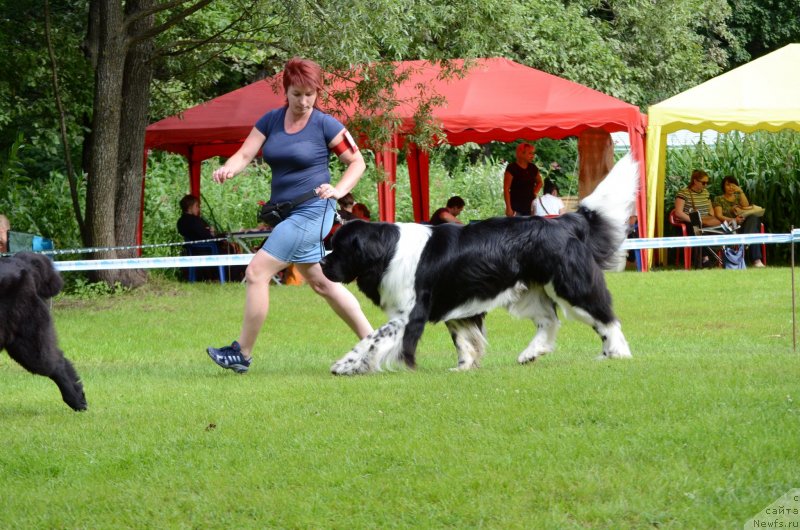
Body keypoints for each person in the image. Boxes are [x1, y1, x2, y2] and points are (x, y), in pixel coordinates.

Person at [206, 57, 373, 373]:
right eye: (298, 94)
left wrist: (338, 190)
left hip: (314, 211)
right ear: (286, 90)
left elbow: (357, 162)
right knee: (322, 283)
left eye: (311, 94)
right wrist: (228, 168)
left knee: (257, 272)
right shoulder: (270, 121)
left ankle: (242, 353)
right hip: (286, 215)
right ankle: (373, 344)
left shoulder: (326, 124)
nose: (305, 101)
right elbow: (244, 154)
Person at [713, 175, 765, 267]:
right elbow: (719, 215)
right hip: (729, 227)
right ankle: (756, 260)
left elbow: (746, 205)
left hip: (743, 226)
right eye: (728, 185)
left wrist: (740, 191)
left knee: (753, 217)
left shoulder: (738, 197)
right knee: (755, 231)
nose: (731, 187)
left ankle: (746, 241)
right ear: (723, 186)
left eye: (733, 185)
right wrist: (734, 220)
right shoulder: (719, 199)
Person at [503, 142, 542, 216]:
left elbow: (540, 182)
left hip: (530, 206)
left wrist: (534, 192)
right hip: (515, 207)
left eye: (533, 153)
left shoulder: (533, 168)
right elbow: (506, 189)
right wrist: (508, 207)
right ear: (521, 153)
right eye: (530, 153)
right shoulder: (512, 168)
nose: (532, 156)